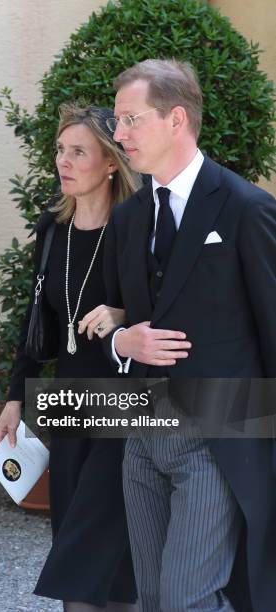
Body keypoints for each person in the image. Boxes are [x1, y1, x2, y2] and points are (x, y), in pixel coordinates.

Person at [93, 59, 276, 612]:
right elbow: (113, 324)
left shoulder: (247, 208)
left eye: (129, 120)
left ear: (176, 119)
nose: (118, 134)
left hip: (219, 438)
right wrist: (121, 344)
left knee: (184, 601)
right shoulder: (127, 220)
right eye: (117, 121)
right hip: (142, 435)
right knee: (152, 598)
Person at [0, 104, 153, 612]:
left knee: (94, 546)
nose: (63, 161)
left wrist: (123, 312)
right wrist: (16, 398)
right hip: (69, 410)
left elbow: (171, 308)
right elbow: (35, 322)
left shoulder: (138, 227)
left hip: (125, 410)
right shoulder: (52, 229)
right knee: (73, 536)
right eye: (60, 150)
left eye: (78, 151)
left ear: (110, 162)